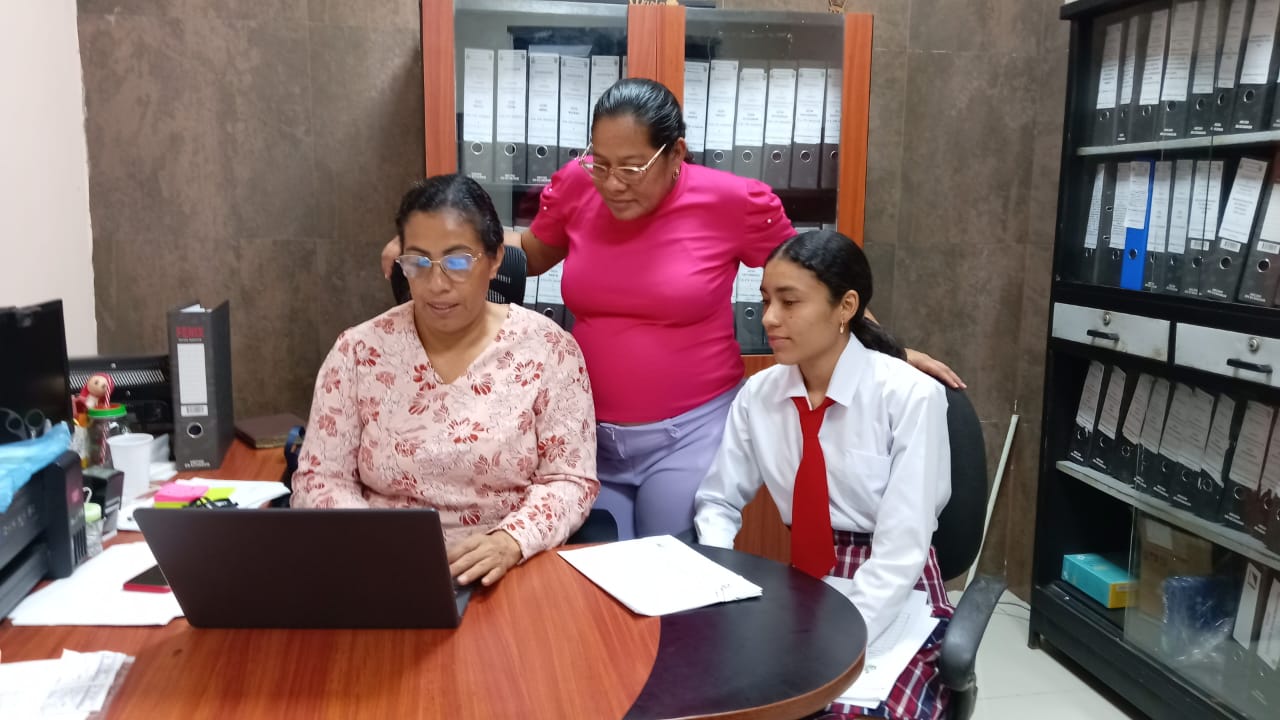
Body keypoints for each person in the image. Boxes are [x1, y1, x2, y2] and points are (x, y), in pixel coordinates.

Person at [381, 78, 962, 541]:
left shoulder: (733, 203)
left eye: (632, 167)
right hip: (586, 429)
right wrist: (435, 250)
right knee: (599, 571)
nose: (612, 184)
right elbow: (529, 255)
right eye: (601, 163)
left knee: (670, 569)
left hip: (691, 430)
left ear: (675, 152)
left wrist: (883, 350)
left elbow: (814, 280)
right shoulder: (579, 188)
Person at [694, 229, 954, 720]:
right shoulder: (759, 395)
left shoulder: (908, 396)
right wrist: (723, 582)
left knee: (849, 710)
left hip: (896, 585)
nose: (769, 318)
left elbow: (902, 546)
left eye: (789, 302)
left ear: (846, 307)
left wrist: (840, 639)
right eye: (766, 300)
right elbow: (718, 501)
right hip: (802, 583)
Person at [295, 174, 599, 588]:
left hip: (505, 572)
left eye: (457, 262)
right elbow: (320, 478)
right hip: (382, 569)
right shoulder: (358, 351)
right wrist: (371, 542)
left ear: (494, 259)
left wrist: (512, 540)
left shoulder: (549, 350)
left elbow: (569, 479)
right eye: (418, 263)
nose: (436, 284)